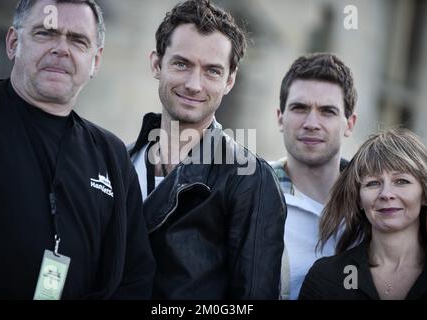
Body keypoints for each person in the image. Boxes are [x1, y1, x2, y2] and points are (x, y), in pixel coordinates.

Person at [0, 0, 155, 299]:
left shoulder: (111, 154)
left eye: (78, 40)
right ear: (13, 43)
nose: (62, 48)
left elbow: (134, 275)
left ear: (95, 60)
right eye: (45, 34)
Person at [128, 0, 286, 299]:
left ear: (230, 80)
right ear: (156, 64)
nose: (194, 84)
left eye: (212, 71)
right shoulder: (116, 162)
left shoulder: (251, 179)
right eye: (181, 64)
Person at [299, 128, 427, 300]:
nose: (386, 193)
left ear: (424, 194)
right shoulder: (327, 278)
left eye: (401, 181)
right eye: (373, 183)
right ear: (358, 198)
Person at [271, 53, 358, 299]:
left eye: (327, 111)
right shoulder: (249, 191)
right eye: (299, 108)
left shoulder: (376, 202)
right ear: (280, 118)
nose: (311, 123)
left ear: (349, 124)